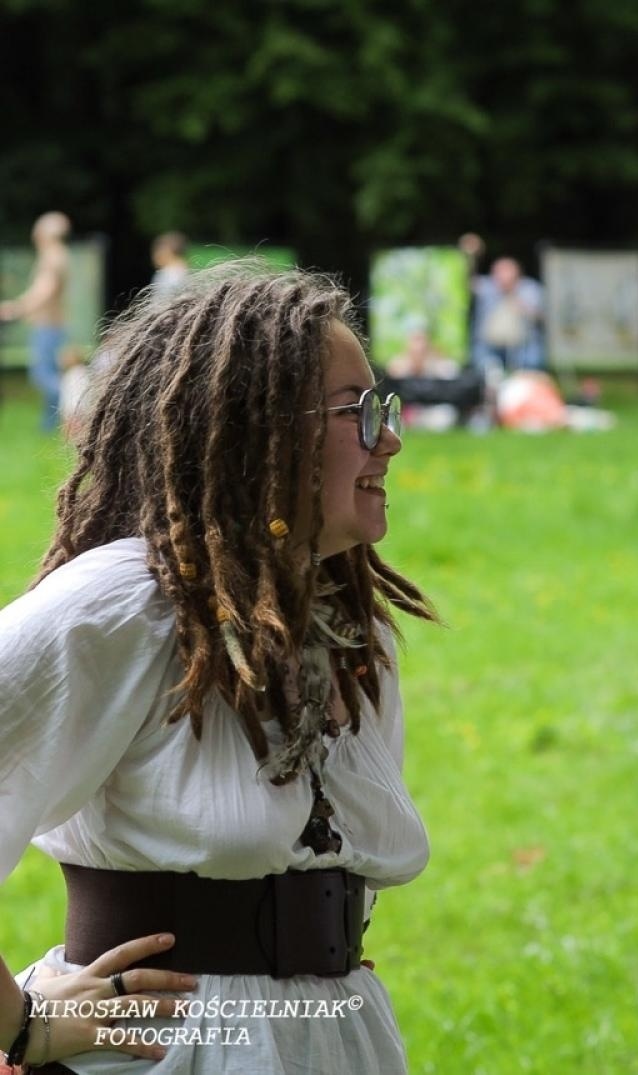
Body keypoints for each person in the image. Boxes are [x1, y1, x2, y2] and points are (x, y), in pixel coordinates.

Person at [0, 264, 437, 1072]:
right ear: (260, 431)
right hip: (176, 1049)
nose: (391, 438)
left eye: (385, 407)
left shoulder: (349, 630)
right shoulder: (127, 603)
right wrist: (20, 1022)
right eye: (358, 413)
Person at [0, 211, 71, 431]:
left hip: (48, 326)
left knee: (42, 376)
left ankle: (75, 406)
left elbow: (44, 291)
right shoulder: (58, 254)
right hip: (53, 325)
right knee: (49, 374)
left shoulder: (52, 255)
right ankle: (49, 426)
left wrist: (17, 308)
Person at [471, 255, 545, 373]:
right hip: (490, 346)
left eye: (506, 270)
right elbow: (464, 280)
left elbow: (543, 316)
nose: (501, 275)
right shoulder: (487, 286)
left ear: (517, 273)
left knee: (531, 362)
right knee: (486, 365)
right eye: (497, 271)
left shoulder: (530, 288)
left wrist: (522, 306)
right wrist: (472, 256)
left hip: (522, 346)